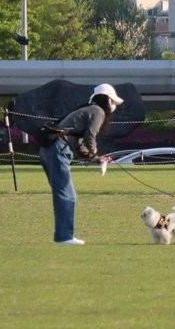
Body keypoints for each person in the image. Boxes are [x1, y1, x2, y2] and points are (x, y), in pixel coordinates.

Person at [39, 83, 123, 244]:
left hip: (49, 149)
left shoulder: (86, 110)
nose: (114, 107)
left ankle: (63, 236)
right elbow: (90, 137)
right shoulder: (97, 111)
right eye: (113, 102)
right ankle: (64, 237)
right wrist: (95, 153)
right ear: (107, 100)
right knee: (67, 195)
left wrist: (96, 158)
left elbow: (78, 143)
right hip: (57, 149)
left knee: (63, 194)